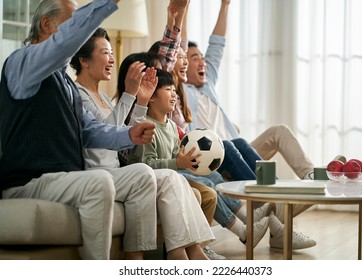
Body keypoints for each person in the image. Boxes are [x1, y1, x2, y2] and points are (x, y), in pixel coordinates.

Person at [0, 0, 212, 260]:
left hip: (63, 179)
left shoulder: (63, 81)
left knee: (143, 175)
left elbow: (88, 128)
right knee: (99, 181)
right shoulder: (22, 63)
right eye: (73, 24)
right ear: (46, 24)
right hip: (29, 181)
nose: (80, 33)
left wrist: (128, 135)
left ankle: (134, 263)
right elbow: (61, 44)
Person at [179, 0, 316, 250]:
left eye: (202, 58)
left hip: (236, 155)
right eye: (194, 58)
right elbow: (179, 46)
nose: (202, 62)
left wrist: (225, 5)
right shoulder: (181, 91)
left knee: (278, 132)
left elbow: (217, 45)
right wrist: (183, 7)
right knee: (236, 143)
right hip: (213, 164)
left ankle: (309, 175)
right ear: (183, 65)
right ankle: (279, 223)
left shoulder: (208, 82)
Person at [70, 27, 215, 260]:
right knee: (167, 176)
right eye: (105, 53)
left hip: (117, 172)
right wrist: (129, 94)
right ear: (84, 60)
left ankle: (189, 252)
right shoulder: (77, 94)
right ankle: (179, 256)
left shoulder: (104, 97)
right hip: (97, 173)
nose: (112, 59)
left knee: (174, 177)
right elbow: (106, 134)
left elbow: (127, 138)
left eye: (111, 53)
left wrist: (142, 101)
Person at [127, 68, 273, 250]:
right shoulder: (147, 127)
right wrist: (178, 163)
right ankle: (243, 232)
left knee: (213, 177)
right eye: (168, 90)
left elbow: (175, 156)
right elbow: (146, 165)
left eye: (174, 90)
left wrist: (185, 161)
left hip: (175, 172)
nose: (174, 95)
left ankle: (248, 218)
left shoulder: (171, 126)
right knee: (207, 186)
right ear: (152, 97)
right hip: (159, 179)